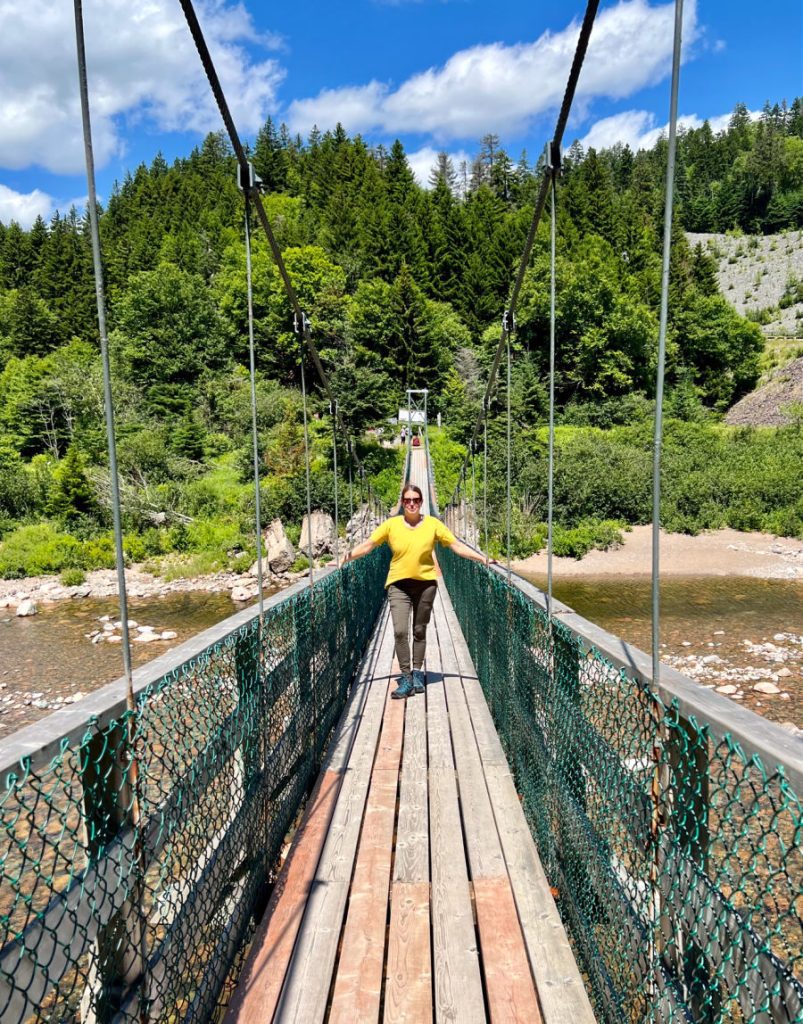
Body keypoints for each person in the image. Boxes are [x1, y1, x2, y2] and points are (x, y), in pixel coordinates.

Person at [343, 482, 491, 699]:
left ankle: (418, 671)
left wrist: (482, 558)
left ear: (421, 502)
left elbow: (456, 546)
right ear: (402, 503)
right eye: (407, 500)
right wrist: (345, 558)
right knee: (400, 631)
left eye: (416, 500)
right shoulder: (391, 525)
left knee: (419, 630)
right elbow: (368, 545)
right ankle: (406, 677)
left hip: (426, 585)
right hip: (398, 585)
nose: (411, 504)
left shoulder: (433, 524)